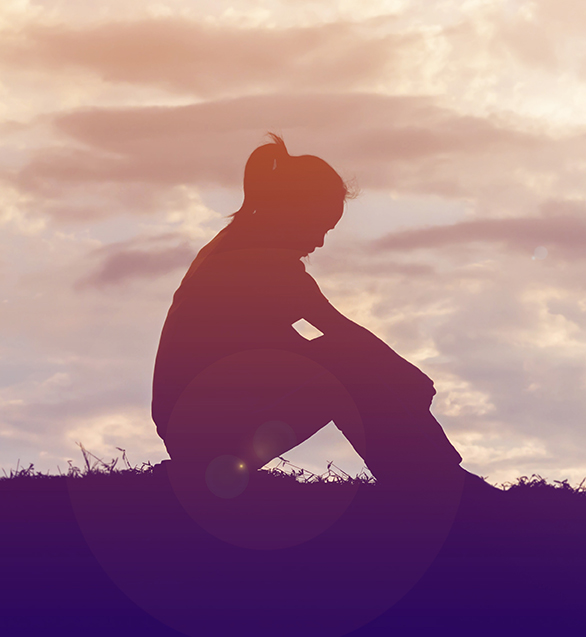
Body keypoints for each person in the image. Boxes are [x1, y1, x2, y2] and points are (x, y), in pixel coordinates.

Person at [152, 135, 491, 495]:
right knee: (345, 363)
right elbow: (345, 338)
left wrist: (393, 380)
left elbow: (288, 351)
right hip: (205, 434)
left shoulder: (232, 246)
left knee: (343, 363)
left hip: (197, 428)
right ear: (294, 211)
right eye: (321, 226)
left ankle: (437, 478)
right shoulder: (263, 265)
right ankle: (436, 483)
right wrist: (409, 379)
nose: (321, 242)